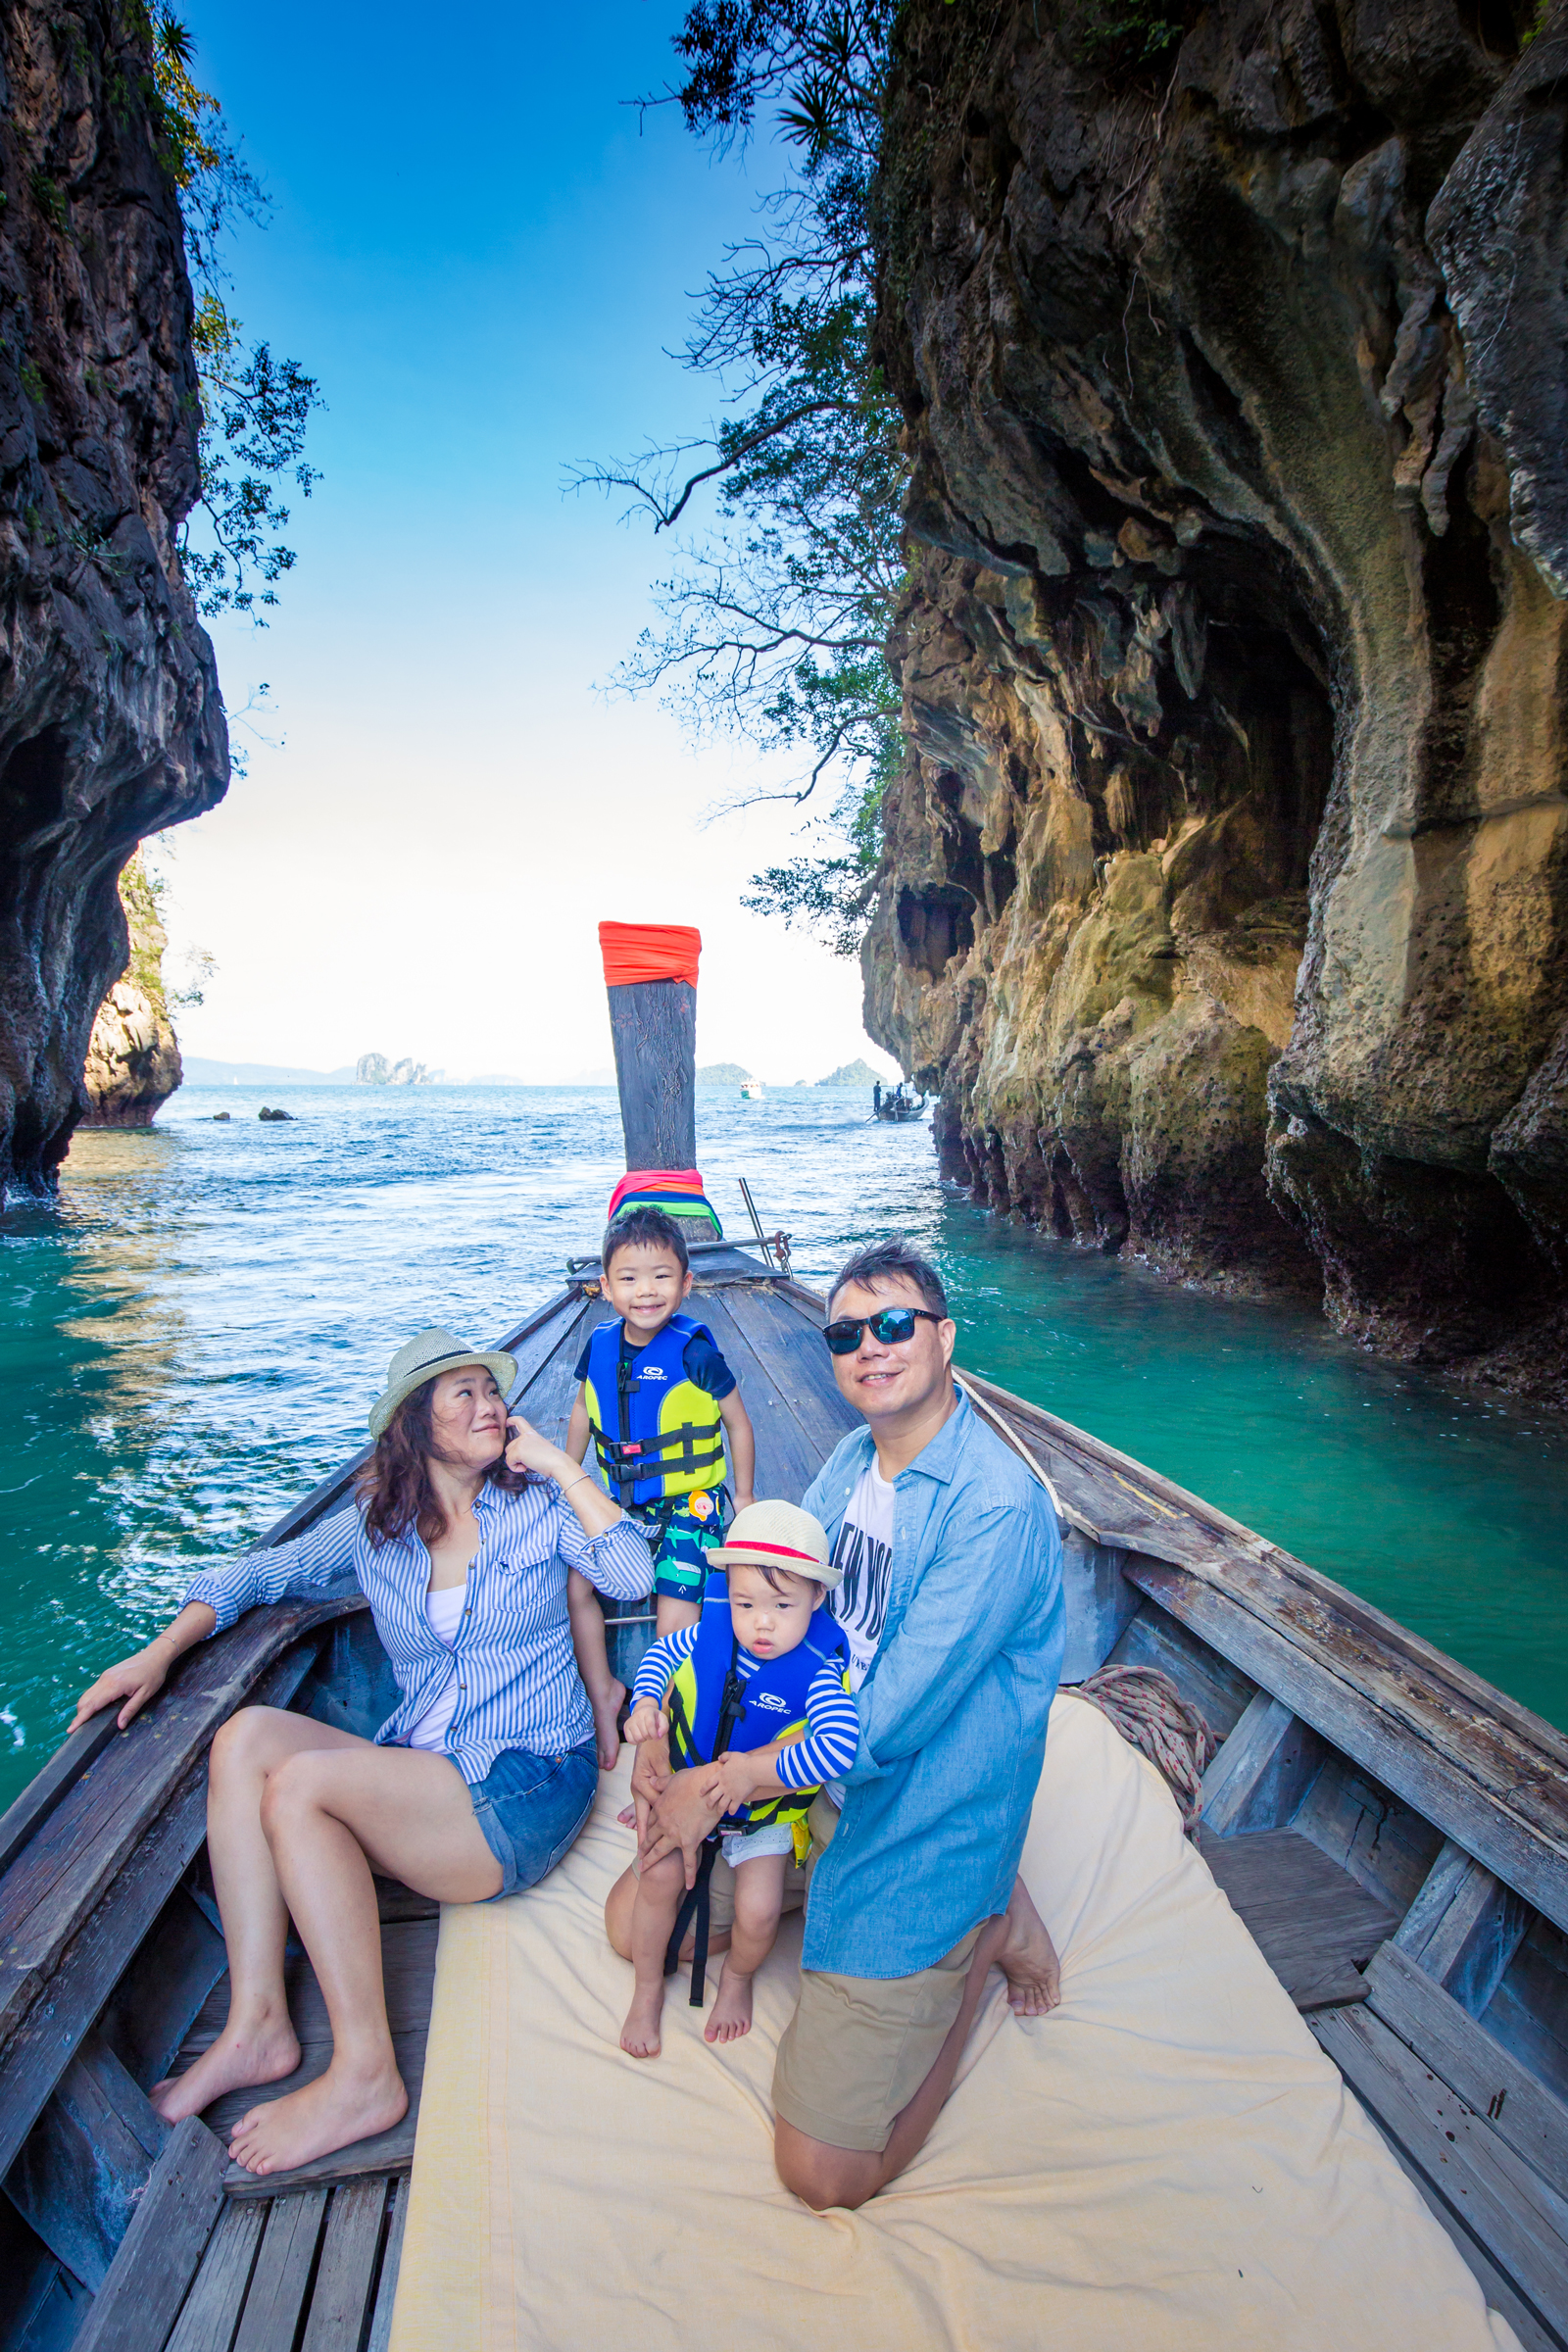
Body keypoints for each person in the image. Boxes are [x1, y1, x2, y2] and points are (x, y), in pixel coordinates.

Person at [69, 1326, 655, 2180]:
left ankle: (367, 2074)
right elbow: (258, 1577)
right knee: (244, 1740)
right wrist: (157, 1653)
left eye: (494, 1393)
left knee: (301, 1787)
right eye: (466, 1395)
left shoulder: (540, 1506)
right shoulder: (379, 1529)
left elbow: (632, 1575)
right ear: (416, 1427)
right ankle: (258, 2024)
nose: (493, 1407)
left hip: (527, 1781)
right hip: (430, 1772)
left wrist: (563, 1467)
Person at [635, 1238, 1064, 2211]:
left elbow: (884, 1727)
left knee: (821, 2175)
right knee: (636, 1927)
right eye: (845, 1332)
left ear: (943, 1339)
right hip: (807, 1792)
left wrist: (728, 1782)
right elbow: (756, 1608)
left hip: (908, 1819)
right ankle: (935, 1905)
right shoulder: (846, 1463)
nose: (868, 1346)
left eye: (894, 1325)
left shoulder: (991, 1509)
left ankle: (986, 1931)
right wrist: (660, 1717)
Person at [606, 1501, 856, 2058]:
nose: (761, 1623)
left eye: (782, 1605)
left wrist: (749, 1775)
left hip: (760, 1821)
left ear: (817, 1599)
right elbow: (660, 1655)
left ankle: (738, 1980)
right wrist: (646, 1704)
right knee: (658, 1878)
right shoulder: (709, 1636)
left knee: (760, 1910)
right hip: (686, 1791)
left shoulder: (819, 1673)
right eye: (745, 1604)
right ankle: (648, 1991)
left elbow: (837, 1747)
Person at [563, 1205, 757, 1763]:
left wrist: (741, 1497)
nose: (645, 1291)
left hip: (691, 1505)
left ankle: (662, 1721)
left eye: (662, 1276)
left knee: (677, 1607)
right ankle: (605, 1694)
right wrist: (569, 1477)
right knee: (577, 1581)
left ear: (686, 1282)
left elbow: (737, 1423)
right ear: (605, 1286)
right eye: (628, 1278)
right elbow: (581, 1413)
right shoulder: (599, 1345)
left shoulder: (695, 1350)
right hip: (626, 1505)